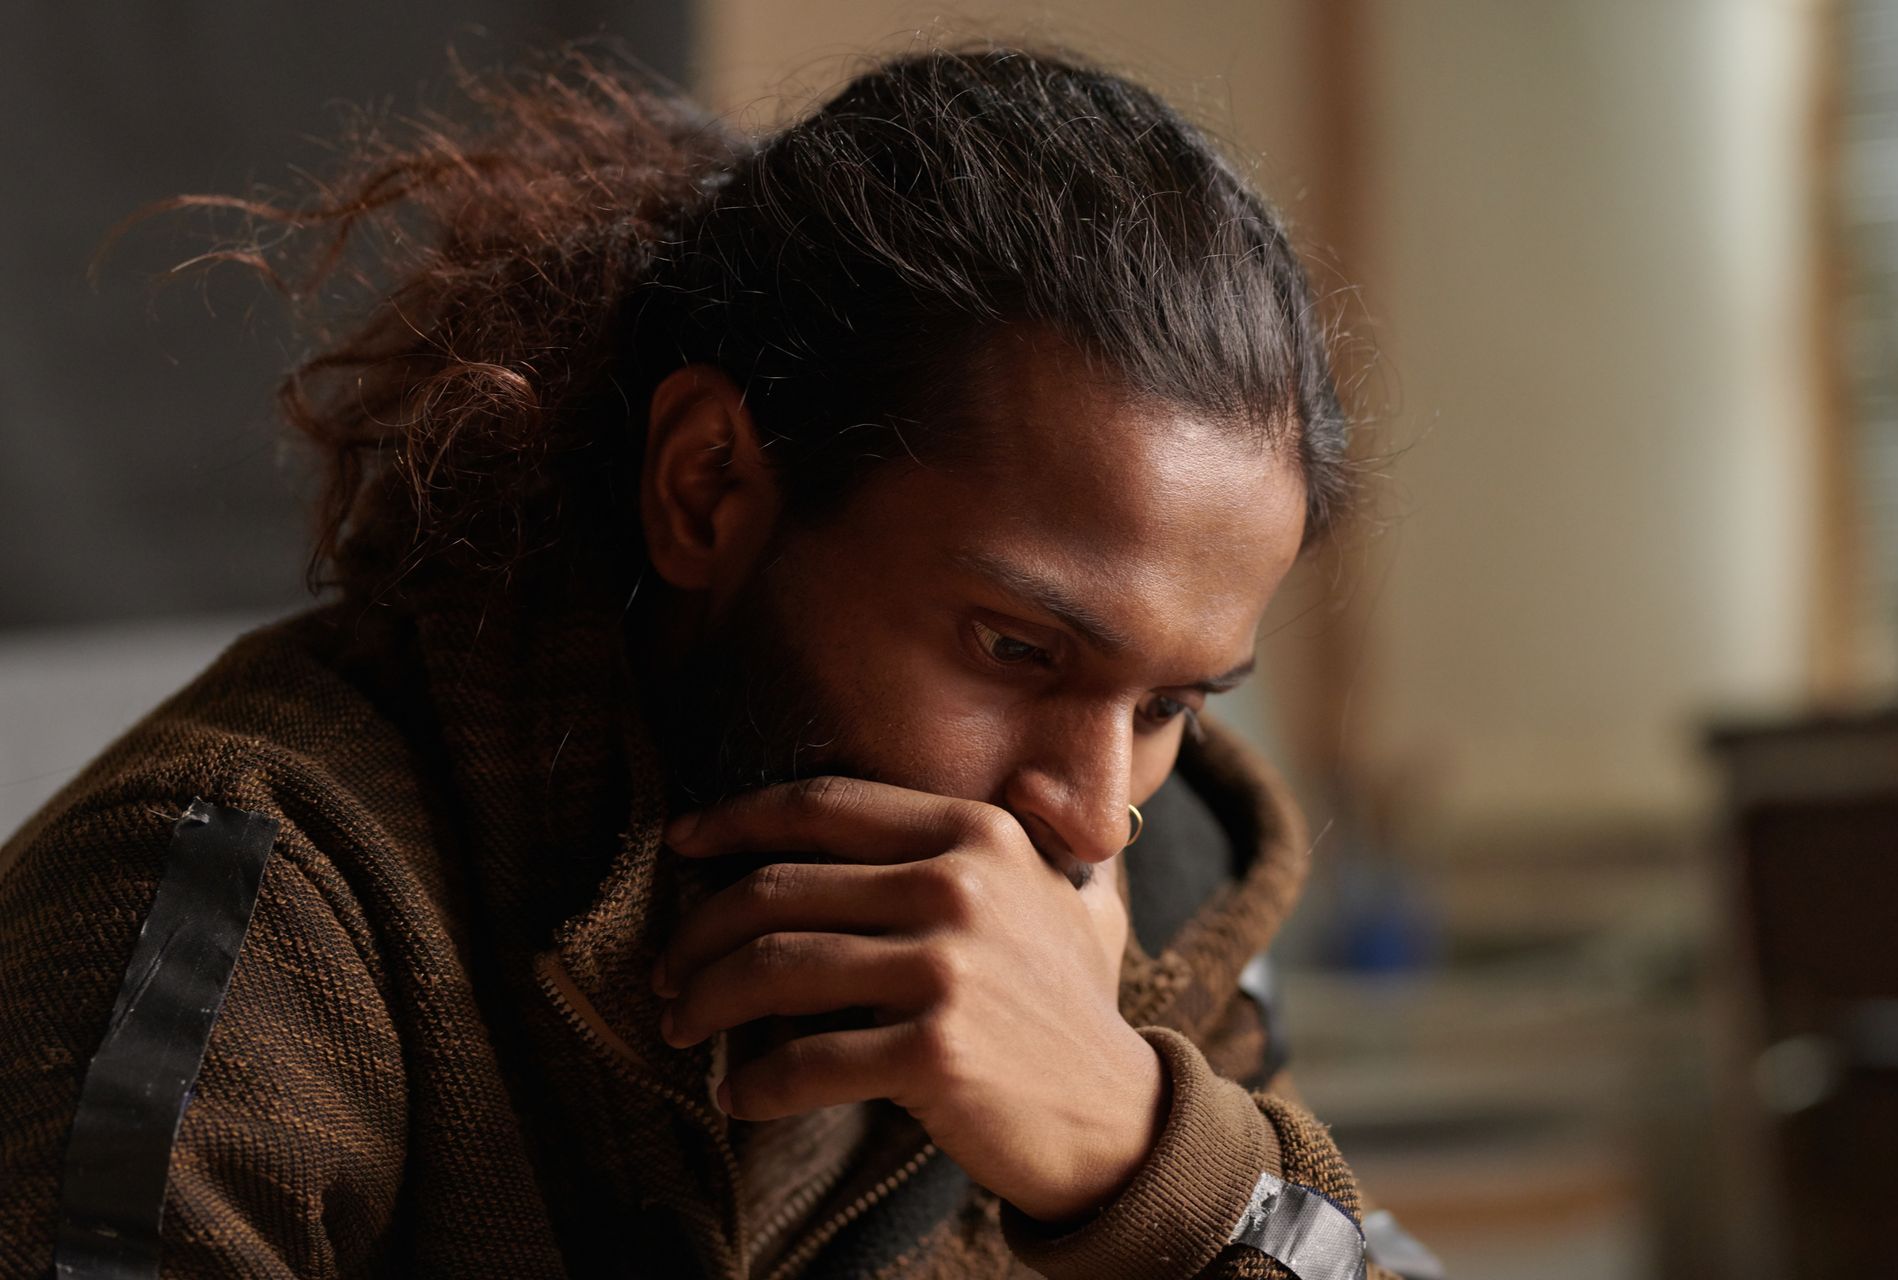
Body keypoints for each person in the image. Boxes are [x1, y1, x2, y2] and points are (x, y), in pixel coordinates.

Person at [0, 40, 1428, 1280]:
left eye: (1170, 704)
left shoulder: (1157, 897)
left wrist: (1146, 1161)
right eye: (1015, 647)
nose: (1094, 811)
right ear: (708, 489)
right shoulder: (248, 908)